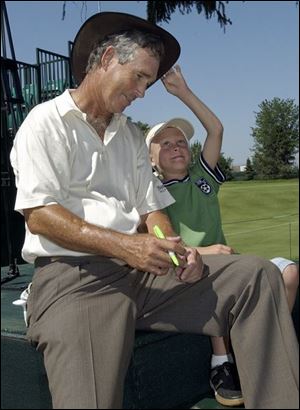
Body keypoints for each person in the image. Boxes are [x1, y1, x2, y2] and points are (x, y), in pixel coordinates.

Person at [10, 11, 299, 410]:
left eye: (148, 81)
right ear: (109, 58)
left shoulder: (128, 135)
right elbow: (40, 214)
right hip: (75, 279)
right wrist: (126, 246)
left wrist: (175, 249)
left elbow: (153, 212)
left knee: (257, 275)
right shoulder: (45, 123)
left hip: (144, 274)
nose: (143, 91)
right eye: (140, 77)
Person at [145, 65, 299, 406]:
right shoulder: (151, 193)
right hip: (188, 268)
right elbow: (164, 243)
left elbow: (215, 128)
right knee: (216, 271)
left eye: (181, 142)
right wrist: (206, 249)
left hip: (227, 258)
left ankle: (259, 353)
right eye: (165, 143)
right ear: (151, 158)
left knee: (288, 272)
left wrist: (183, 91)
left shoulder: (202, 176)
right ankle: (223, 362)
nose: (176, 147)